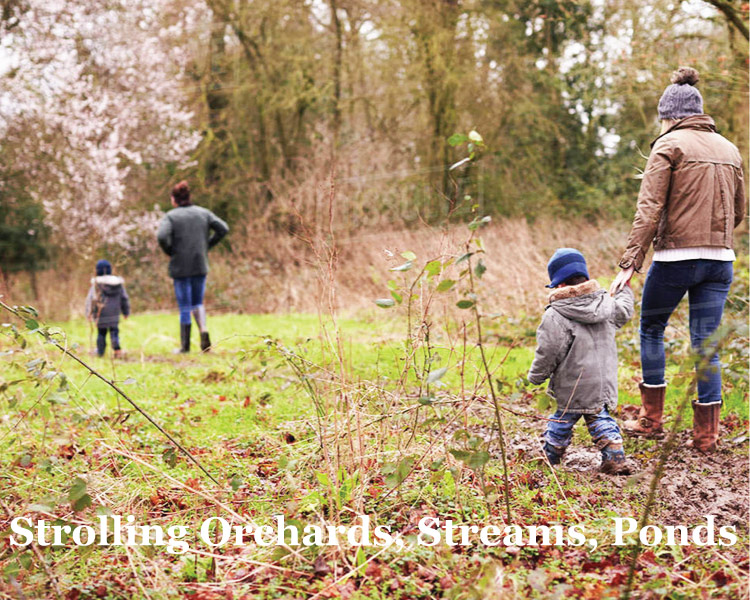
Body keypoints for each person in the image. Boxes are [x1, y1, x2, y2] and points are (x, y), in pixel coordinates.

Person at [610, 67, 746, 452]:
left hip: (675, 260)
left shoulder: (667, 146)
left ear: (670, 115)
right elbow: (739, 212)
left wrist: (629, 263)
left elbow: (649, 210)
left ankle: (651, 420)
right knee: (706, 343)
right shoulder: (729, 149)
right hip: (720, 261)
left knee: (652, 328)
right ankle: (707, 436)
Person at [528, 248, 635, 474]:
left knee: (562, 421)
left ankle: (550, 455)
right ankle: (614, 453)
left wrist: (537, 375)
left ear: (558, 284)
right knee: (599, 416)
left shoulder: (555, 314)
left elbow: (548, 350)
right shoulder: (606, 304)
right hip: (603, 383)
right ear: (585, 277)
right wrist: (624, 288)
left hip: (572, 384)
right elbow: (624, 310)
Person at [157, 181, 229, 353]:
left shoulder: (171, 216)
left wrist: (170, 251)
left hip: (180, 267)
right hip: (199, 264)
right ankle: (204, 334)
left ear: (174, 199)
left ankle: (185, 346)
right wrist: (207, 246)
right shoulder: (203, 213)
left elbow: (161, 236)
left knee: (185, 306)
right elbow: (223, 229)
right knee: (198, 302)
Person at [85, 259, 130, 358]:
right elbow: (124, 298)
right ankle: (117, 350)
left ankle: (100, 352)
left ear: (97, 271)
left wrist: (89, 313)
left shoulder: (96, 285)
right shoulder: (118, 284)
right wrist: (126, 312)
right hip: (114, 314)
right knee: (114, 332)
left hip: (101, 315)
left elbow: (90, 299)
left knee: (101, 333)